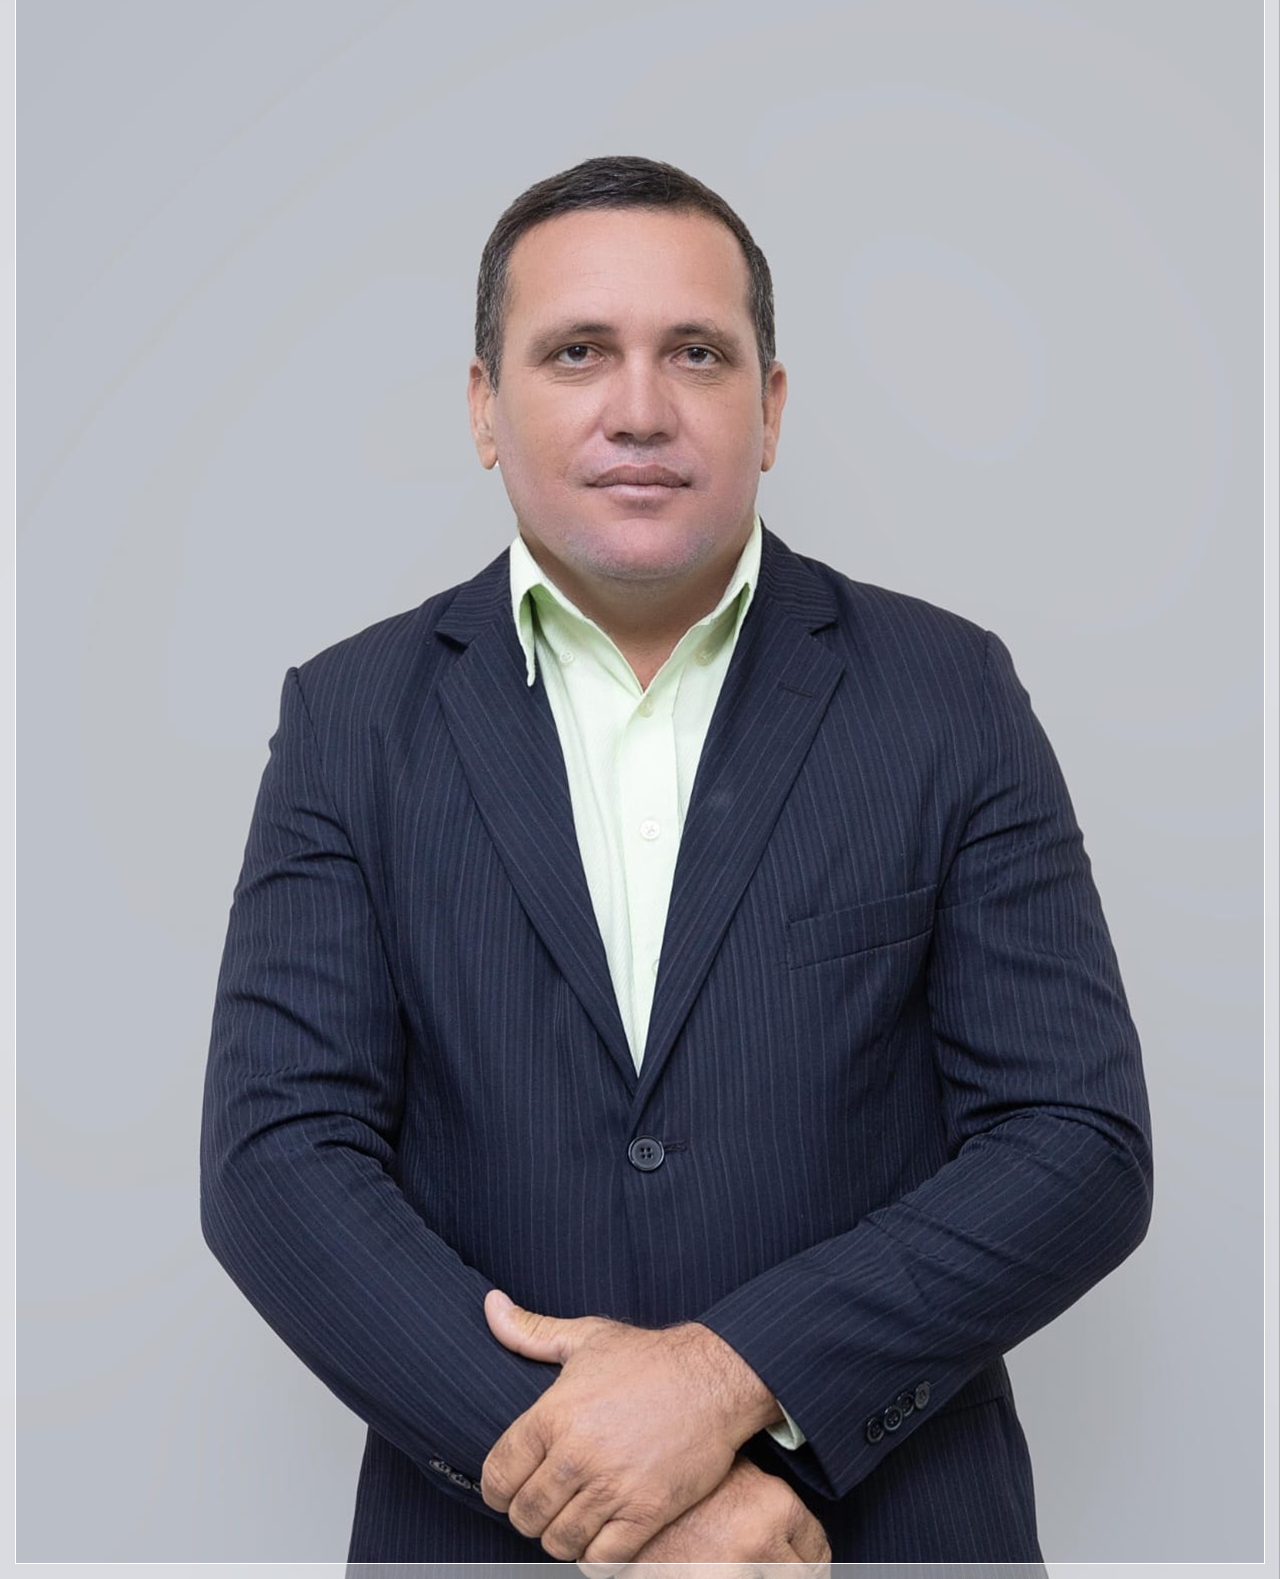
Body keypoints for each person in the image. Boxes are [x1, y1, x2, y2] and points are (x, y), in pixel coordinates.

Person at [200, 155, 1153, 1567]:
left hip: (873, 1531)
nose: (639, 408)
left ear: (770, 407)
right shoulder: (351, 720)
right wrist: (610, 1485)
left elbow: (1076, 1141)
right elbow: (277, 1163)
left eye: (696, 354)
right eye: (577, 352)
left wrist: (730, 1391)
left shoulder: (947, 692)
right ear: (485, 407)